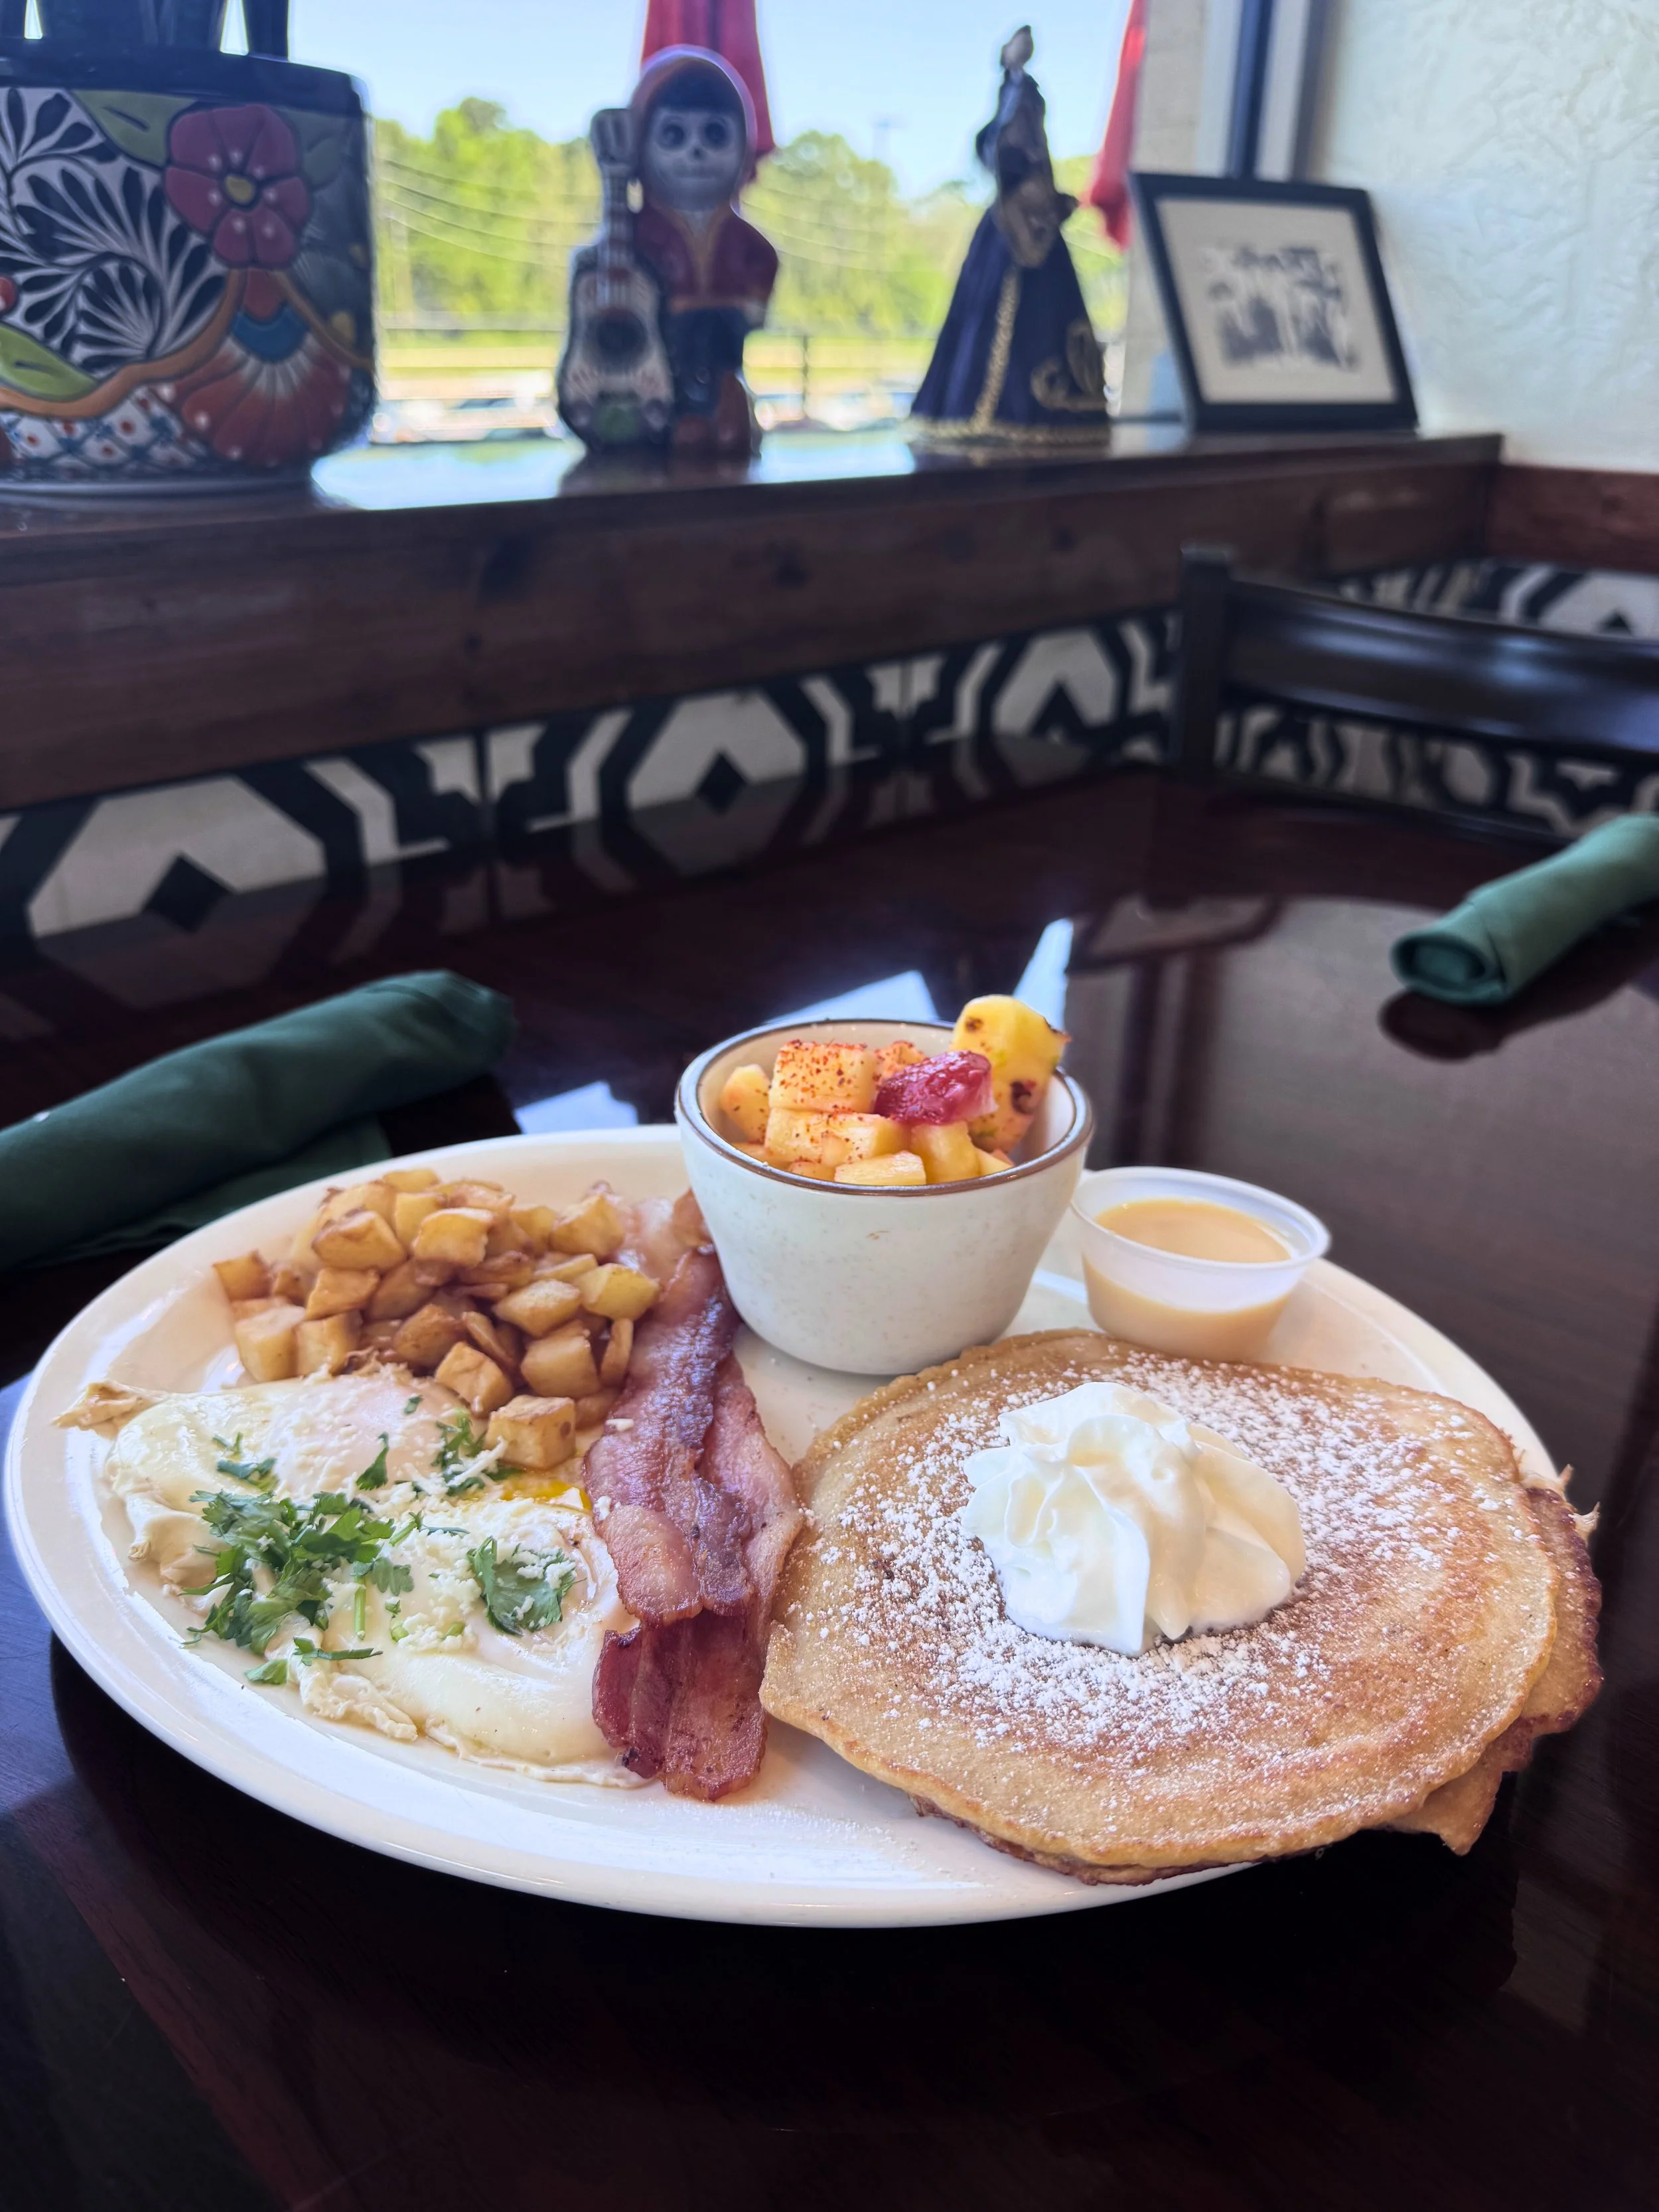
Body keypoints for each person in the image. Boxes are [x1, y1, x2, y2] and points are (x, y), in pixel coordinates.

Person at [912, 26, 1108, 443]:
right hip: (1009, 224)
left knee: (1034, 313)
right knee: (985, 314)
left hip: (1026, 222)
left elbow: (1014, 149)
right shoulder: (1013, 94)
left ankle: (1022, 413)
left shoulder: (1025, 96)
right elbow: (996, 149)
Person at [628, 46, 778, 455]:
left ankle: (726, 417)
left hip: (726, 333)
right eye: (674, 135)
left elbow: (765, 260)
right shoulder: (636, 231)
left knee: (728, 399)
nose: (695, 152)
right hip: (663, 346)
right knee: (669, 400)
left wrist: (754, 305)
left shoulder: (737, 231)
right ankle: (683, 422)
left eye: (714, 134)